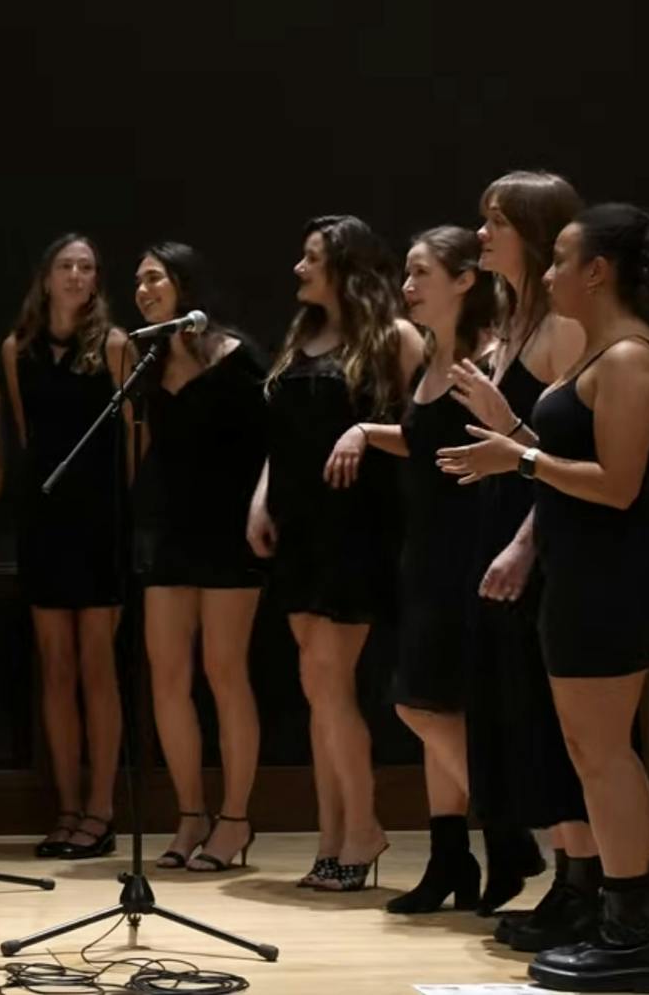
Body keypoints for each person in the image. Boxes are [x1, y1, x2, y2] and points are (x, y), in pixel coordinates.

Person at [440, 204, 649, 993]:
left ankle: (638, 936)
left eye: (562, 259)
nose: (552, 272)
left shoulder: (629, 356)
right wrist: (515, 433)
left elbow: (618, 484)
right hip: (582, 567)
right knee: (589, 752)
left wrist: (519, 461)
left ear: (597, 271)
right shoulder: (602, 349)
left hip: (613, 572)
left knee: (603, 753)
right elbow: (571, 454)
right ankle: (623, 923)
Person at [447, 171, 599, 945]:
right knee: (520, 718)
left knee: (553, 720)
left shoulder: (562, 330)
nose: (481, 234)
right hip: (500, 522)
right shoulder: (509, 320)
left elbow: (570, 453)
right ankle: (567, 879)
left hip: (540, 538)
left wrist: (520, 542)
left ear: (534, 233)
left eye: (495, 221)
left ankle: (587, 885)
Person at [248, 215, 420, 892]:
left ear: (344, 266)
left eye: (310, 256)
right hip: (298, 525)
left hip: (356, 526)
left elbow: (426, 428)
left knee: (328, 681)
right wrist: (260, 499)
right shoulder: (301, 337)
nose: (297, 268)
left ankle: (367, 825)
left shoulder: (394, 338)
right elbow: (282, 439)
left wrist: (364, 432)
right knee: (318, 689)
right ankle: (332, 836)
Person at [350, 227, 498, 912]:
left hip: (468, 549)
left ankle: (507, 828)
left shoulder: (487, 357)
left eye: (420, 273)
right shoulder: (435, 356)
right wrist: (362, 432)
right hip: (427, 546)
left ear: (465, 280)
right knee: (439, 705)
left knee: (417, 701)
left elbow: (501, 448)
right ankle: (450, 862)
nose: (406, 286)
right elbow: (422, 441)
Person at [130, 244, 269, 873]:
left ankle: (235, 817)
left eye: (153, 278)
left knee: (224, 670)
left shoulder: (236, 356)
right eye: (137, 282)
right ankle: (190, 813)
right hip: (172, 529)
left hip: (230, 528)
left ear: (185, 284)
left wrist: (263, 509)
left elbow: (275, 442)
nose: (142, 289)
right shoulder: (149, 364)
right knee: (166, 675)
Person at [1, 234, 131, 860]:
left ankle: (102, 810)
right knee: (54, 668)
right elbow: (27, 435)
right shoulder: (16, 350)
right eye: (66, 266)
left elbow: (132, 444)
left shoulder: (114, 345)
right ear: (45, 278)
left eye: (87, 267)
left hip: (99, 522)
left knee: (97, 667)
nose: (77, 275)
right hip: (44, 520)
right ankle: (68, 805)